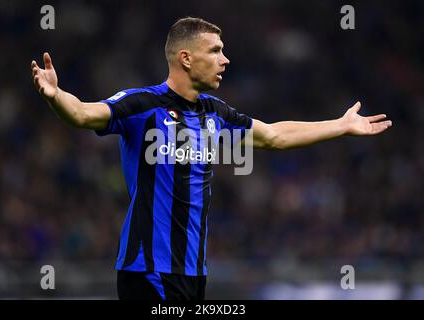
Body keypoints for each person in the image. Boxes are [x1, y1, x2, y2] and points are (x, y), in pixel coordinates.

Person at [30, 17, 392, 300]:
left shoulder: (215, 113)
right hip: (148, 271)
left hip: (194, 272)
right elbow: (81, 114)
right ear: (186, 58)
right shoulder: (142, 104)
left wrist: (341, 125)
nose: (225, 59)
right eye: (216, 51)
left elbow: (274, 135)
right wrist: (55, 95)